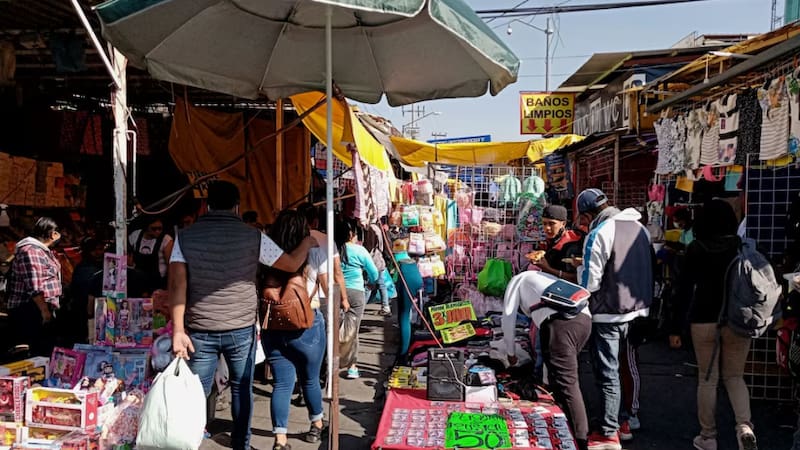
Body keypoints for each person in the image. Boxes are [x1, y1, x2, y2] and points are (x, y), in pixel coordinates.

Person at [169, 181, 317, 450]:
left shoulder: (184, 237)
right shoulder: (254, 236)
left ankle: (189, 442)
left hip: (200, 327)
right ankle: (241, 444)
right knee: (241, 388)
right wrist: (306, 242)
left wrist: (178, 330)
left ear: (206, 204)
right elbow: (291, 264)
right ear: (237, 206)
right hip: (241, 327)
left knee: (196, 393)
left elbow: (178, 285)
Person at [669, 200, 757, 450]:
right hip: (738, 319)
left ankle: (708, 437)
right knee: (735, 376)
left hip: (704, 319)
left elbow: (683, 291)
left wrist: (675, 328)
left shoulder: (697, 248)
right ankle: (744, 427)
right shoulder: (741, 247)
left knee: (707, 379)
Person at [574, 188, 653, 450]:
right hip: (638, 310)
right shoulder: (640, 229)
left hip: (608, 313)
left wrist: (577, 268)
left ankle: (608, 432)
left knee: (607, 372)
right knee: (628, 366)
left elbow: (590, 283)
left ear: (587, 214)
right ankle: (627, 419)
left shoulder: (599, 233)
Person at [260, 210, 327, 450]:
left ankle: (280, 440)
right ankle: (316, 426)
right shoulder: (314, 249)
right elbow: (326, 283)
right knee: (310, 380)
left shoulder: (267, 252)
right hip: (307, 326)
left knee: (282, 383)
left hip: (273, 327)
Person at [503, 271, 592, 450]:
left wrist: (511, 354)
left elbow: (508, 317)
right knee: (560, 379)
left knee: (568, 383)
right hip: (584, 320)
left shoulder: (516, 282)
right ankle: (565, 429)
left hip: (561, 324)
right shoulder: (541, 278)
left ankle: (581, 440)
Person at [6, 217, 63, 356]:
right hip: (31, 309)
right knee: (37, 350)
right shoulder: (31, 251)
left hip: (39, 307)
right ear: (53, 233)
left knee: (44, 349)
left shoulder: (41, 250)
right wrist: (44, 310)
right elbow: (34, 284)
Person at [335, 218, 379, 379]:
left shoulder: (332, 249)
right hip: (355, 292)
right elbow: (374, 273)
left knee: (333, 327)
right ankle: (352, 366)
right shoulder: (359, 251)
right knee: (353, 329)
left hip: (334, 291)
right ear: (351, 234)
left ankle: (330, 362)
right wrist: (370, 282)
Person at [531, 205, 584, 283]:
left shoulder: (573, 245)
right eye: (544, 223)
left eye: (552, 223)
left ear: (563, 224)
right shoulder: (549, 241)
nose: (547, 228)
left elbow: (577, 278)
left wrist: (547, 269)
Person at [69, 237, 105, 344]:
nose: (98, 253)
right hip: (83, 310)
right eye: (94, 250)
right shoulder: (83, 268)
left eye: (100, 249)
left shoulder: (104, 266)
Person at [128, 216, 173, 291]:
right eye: (154, 228)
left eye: (160, 228)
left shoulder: (166, 240)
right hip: (138, 282)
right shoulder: (135, 235)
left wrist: (168, 288)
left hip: (158, 283)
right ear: (146, 227)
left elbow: (171, 265)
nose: (158, 231)